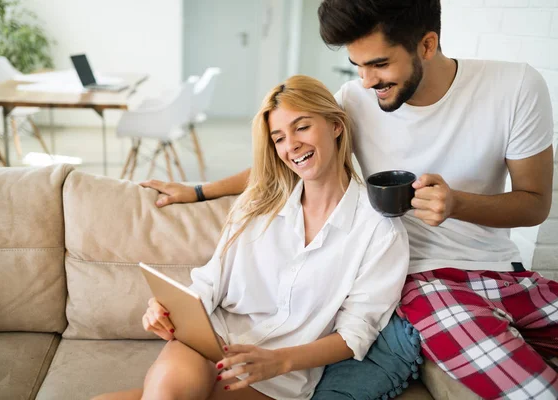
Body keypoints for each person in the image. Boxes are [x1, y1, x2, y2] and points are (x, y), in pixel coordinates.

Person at [141, 1, 558, 399]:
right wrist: (198, 190)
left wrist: (457, 204)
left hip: (503, 270)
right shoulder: (356, 101)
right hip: (423, 280)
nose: (366, 81)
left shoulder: (515, 86)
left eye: (378, 64)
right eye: (357, 66)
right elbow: (291, 157)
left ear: (427, 45)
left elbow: (535, 203)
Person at [94, 75, 409, 400]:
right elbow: (209, 283)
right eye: (279, 138)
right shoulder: (258, 203)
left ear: (335, 126)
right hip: (209, 342)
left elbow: (355, 334)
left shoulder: (379, 231)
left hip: (280, 377)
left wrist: (280, 361)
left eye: (302, 127)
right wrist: (166, 310)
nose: (292, 145)